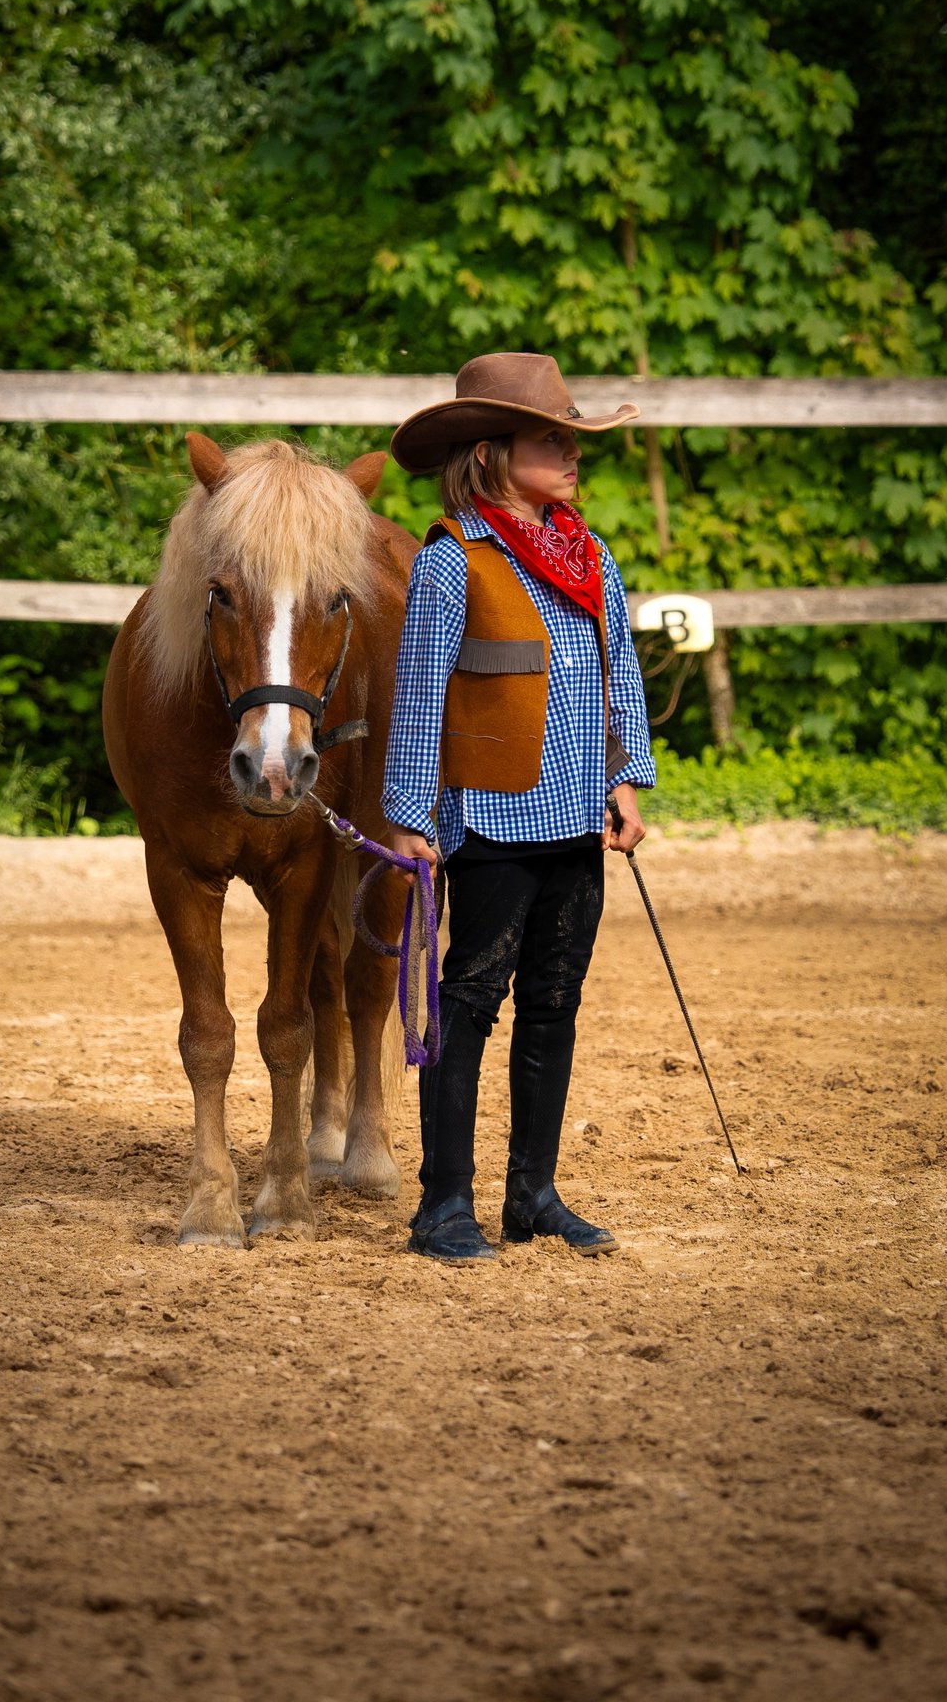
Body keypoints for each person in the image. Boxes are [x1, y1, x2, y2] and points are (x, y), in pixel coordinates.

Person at [382, 352, 655, 1262]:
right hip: (493, 822)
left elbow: (622, 673)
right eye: (553, 440)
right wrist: (410, 815)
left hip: (580, 817)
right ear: (493, 453)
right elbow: (420, 699)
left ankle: (533, 1194)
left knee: (555, 1000)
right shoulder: (452, 564)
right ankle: (442, 1205)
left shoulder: (592, 557)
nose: (573, 456)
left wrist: (625, 777)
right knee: (470, 1000)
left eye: (574, 440)